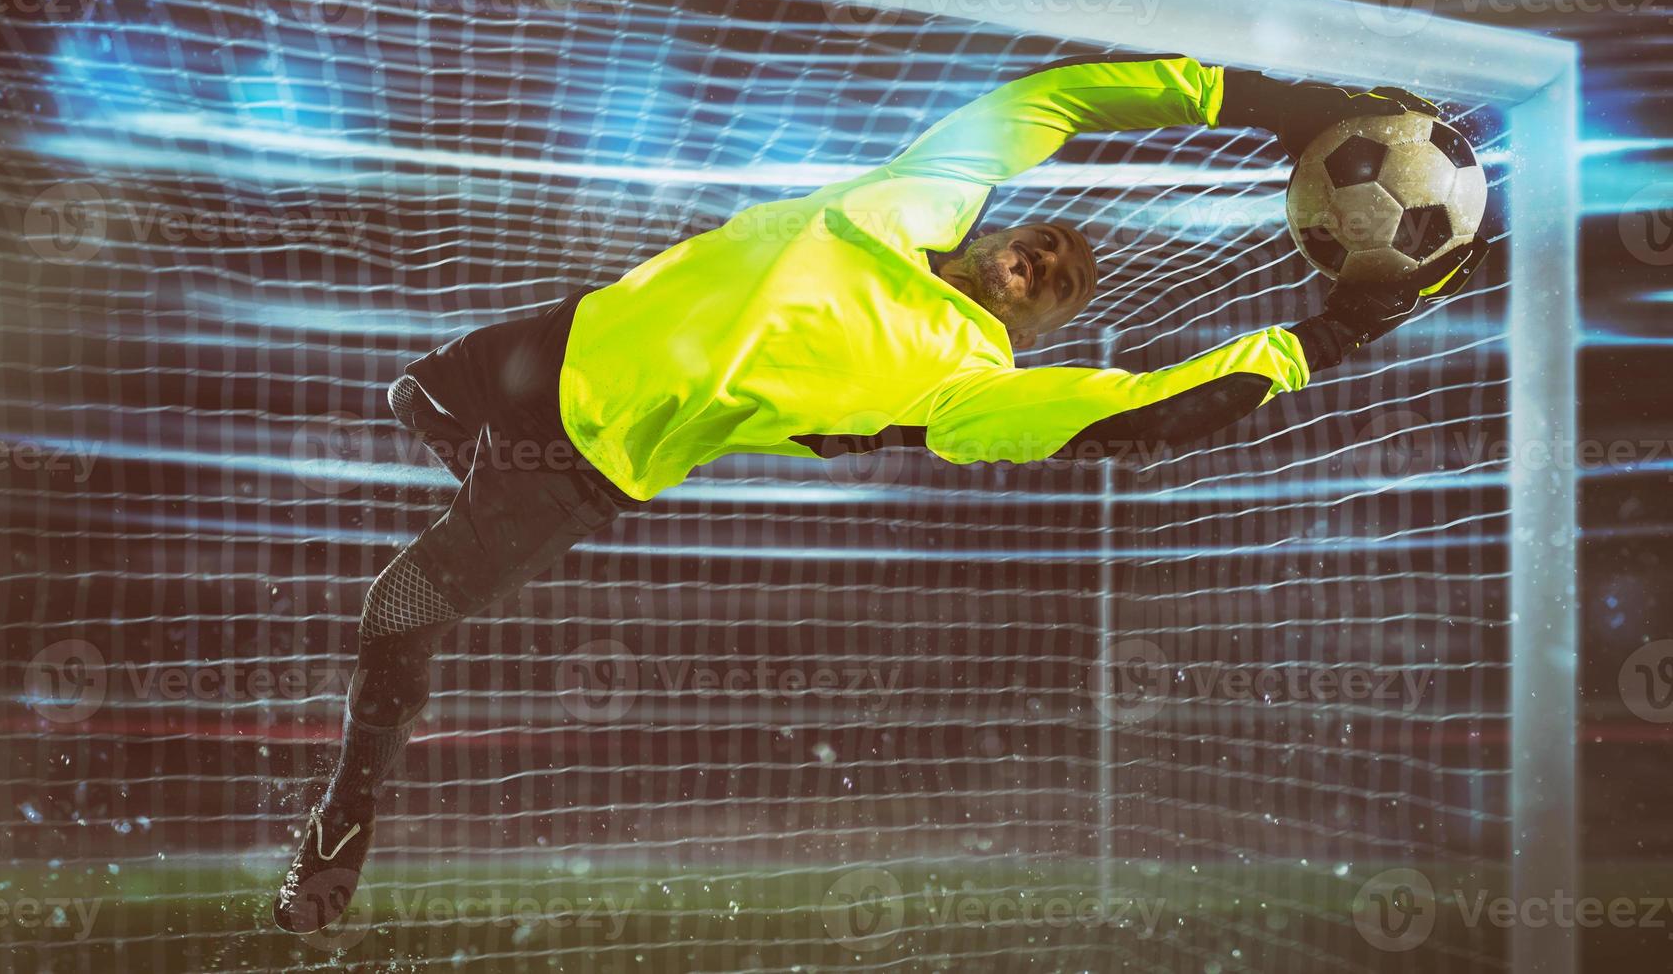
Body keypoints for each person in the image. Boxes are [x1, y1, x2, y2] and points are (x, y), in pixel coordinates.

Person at [273, 54, 1488, 934]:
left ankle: (338, 826)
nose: (1047, 264)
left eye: (1060, 287)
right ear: (1007, 232)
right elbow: (1055, 99)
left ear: (1037, 318)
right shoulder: (917, 198)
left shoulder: (966, 383)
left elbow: (1142, 418)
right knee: (411, 398)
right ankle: (455, 451)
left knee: (396, 612)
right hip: (554, 335)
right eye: (1049, 243)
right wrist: (1279, 108)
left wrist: (1324, 336)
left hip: (578, 461)